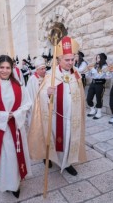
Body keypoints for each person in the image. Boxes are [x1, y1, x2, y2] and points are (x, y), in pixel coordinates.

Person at [27, 36, 87, 176]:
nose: (70, 62)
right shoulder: (51, 75)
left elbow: (81, 93)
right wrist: (47, 93)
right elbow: (40, 96)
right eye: (67, 60)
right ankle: (49, 157)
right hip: (56, 116)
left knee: (70, 138)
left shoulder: (76, 73)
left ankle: (67, 162)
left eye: (73, 59)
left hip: (72, 116)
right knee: (53, 138)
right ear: (59, 59)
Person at [0, 55, 32, 198]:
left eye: (7, 67)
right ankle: (5, 182)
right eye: (1, 67)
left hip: (15, 127)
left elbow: (27, 104)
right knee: (3, 157)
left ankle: (15, 183)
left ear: (12, 68)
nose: (4, 70)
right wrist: (3, 116)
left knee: (15, 156)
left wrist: (15, 114)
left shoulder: (20, 86)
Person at [86, 53, 108, 119]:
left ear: (102, 58)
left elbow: (99, 75)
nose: (97, 59)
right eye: (96, 58)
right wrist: (89, 70)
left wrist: (92, 69)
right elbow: (89, 76)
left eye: (98, 58)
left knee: (99, 98)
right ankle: (93, 110)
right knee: (88, 98)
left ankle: (99, 112)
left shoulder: (104, 66)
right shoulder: (95, 66)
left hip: (100, 84)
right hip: (93, 83)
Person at [26, 56, 47, 125]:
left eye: (45, 68)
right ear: (37, 70)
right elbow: (29, 95)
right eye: (42, 69)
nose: (44, 70)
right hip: (36, 106)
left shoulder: (47, 77)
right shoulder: (32, 80)